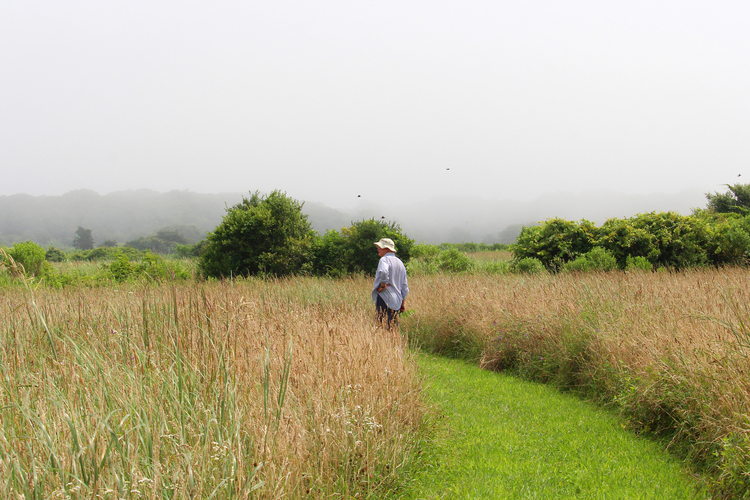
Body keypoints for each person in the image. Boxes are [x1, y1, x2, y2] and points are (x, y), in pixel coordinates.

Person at [372, 238, 409, 329]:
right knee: (393, 328)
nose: (378, 249)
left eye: (380, 247)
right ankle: (394, 343)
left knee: (381, 327)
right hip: (397, 301)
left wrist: (382, 286)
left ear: (386, 248)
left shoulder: (384, 260)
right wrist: (402, 303)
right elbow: (405, 286)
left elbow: (384, 272)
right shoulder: (400, 263)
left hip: (385, 297)